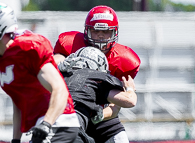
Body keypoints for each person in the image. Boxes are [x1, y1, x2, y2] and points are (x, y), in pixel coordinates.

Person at [54, 5, 141, 143]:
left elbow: (116, 106)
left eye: (106, 31)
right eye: (96, 30)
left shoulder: (124, 60)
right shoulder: (70, 44)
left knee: (120, 139)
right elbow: (50, 68)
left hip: (99, 113)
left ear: (114, 33)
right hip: (67, 109)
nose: (101, 35)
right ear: (87, 31)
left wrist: (98, 116)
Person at [0, 3, 80, 143]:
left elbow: (60, 89)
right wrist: (15, 140)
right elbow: (18, 102)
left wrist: (46, 124)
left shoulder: (26, 48)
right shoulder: (3, 59)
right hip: (43, 126)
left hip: (59, 123)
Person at [59, 46, 137, 143]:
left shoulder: (58, 74)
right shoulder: (96, 77)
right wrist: (130, 89)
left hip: (43, 122)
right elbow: (130, 101)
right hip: (71, 126)